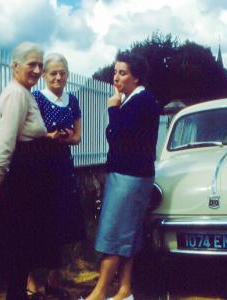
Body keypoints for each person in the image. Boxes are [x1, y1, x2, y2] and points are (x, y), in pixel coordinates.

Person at [0, 44, 84, 299]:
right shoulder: (18, 94)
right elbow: (7, 139)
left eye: (40, 65)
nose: (38, 70)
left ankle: (19, 292)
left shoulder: (22, 92)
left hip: (29, 173)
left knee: (24, 244)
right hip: (23, 177)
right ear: (15, 66)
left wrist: (0, 160)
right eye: (32, 64)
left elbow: (11, 138)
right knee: (19, 244)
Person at [84, 51, 160, 300]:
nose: (115, 77)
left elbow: (119, 137)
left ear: (136, 77)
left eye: (122, 72)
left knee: (114, 233)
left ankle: (100, 292)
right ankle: (125, 291)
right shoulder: (133, 100)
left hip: (129, 177)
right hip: (132, 175)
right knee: (128, 234)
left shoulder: (142, 101)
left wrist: (112, 109)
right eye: (115, 72)